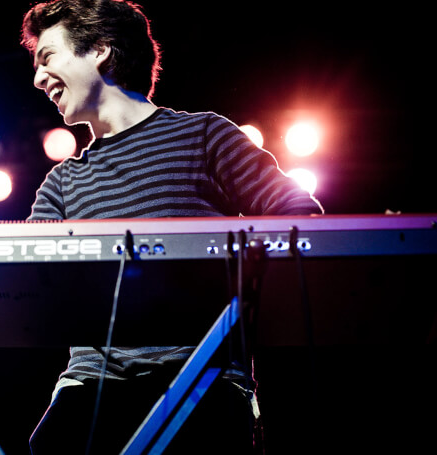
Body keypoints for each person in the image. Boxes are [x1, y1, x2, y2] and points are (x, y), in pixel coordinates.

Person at [20, 1, 324, 454]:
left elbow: (301, 217)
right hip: (90, 389)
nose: (38, 78)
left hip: (202, 377)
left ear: (100, 49)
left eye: (48, 58)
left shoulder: (205, 135)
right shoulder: (63, 182)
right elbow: (22, 280)